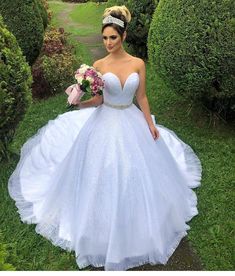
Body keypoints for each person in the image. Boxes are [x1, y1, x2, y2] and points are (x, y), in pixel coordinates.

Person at [8, 5, 202, 271]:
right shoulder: (97, 66)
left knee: (137, 171)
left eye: (113, 37)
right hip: (105, 120)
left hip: (130, 119)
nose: (108, 42)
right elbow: (99, 100)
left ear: (123, 36)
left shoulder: (137, 63)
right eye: (105, 38)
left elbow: (141, 97)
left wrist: (149, 123)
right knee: (101, 169)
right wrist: (79, 102)